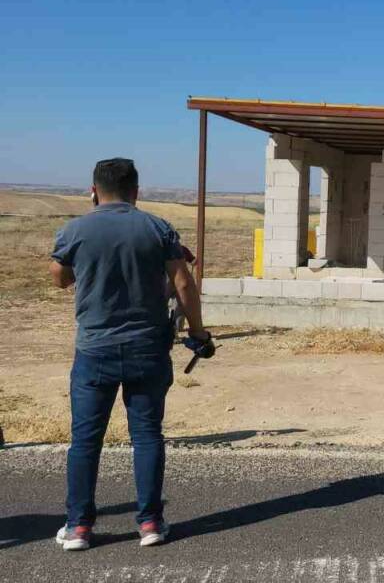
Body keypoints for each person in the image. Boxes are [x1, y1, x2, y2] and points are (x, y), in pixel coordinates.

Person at [48, 158, 213, 551]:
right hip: (148, 349)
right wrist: (198, 332)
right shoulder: (157, 228)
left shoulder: (75, 230)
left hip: (94, 350)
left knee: (85, 441)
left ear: (93, 191)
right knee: (147, 435)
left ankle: (78, 527)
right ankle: (150, 523)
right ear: (136, 191)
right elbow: (183, 284)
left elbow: (59, 278)